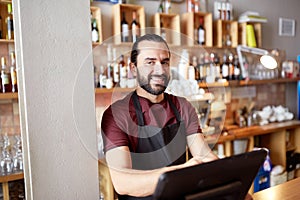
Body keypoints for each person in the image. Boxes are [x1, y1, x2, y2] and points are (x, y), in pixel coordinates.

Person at [101, 34, 218, 200]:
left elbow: (204, 156)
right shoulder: (116, 115)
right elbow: (123, 182)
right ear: (133, 68)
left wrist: (234, 183)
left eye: (164, 62)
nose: (160, 70)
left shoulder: (183, 107)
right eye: (150, 62)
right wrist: (182, 173)